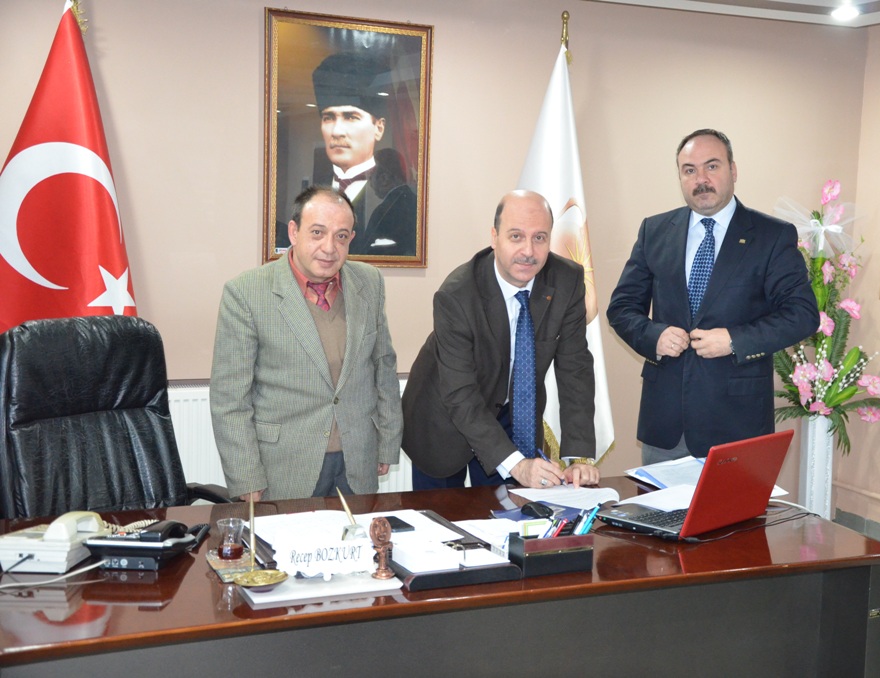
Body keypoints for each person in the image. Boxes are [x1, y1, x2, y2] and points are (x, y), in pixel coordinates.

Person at [606, 129, 818, 465]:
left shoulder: (772, 236)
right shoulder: (654, 231)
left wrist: (734, 340)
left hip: (737, 424)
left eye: (712, 166)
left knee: (735, 505)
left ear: (733, 170)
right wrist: (654, 335)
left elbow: (802, 315)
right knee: (657, 503)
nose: (701, 179)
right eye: (689, 170)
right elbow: (621, 308)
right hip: (666, 427)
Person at [211, 186, 402, 501]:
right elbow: (230, 399)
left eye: (341, 236)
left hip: (357, 462)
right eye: (317, 233)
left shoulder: (369, 283)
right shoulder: (246, 293)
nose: (329, 248)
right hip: (284, 467)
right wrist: (245, 477)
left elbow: (384, 366)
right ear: (293, 232)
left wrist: (388, 442)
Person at [401, 190, 600, 490]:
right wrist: (517, 466)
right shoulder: (457, 295)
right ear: (494, 237)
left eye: (540, 238)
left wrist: (578, 456)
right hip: (443, 419)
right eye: (516, 236)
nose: (528, 251)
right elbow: (460, 394)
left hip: (512, 413)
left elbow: (576, 369)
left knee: (511, 511)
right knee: (443, 516)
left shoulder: (567, 280)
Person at [310, 51, 389, 232]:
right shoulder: (312, 193)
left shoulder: (395, 199)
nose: (337, 131)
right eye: (329, 118)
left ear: (379, 128)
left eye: (351, 117)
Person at [350, 148, 418, 257]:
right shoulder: (416, 203)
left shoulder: (384, 211)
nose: (370, 184)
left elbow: (367, 254)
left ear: (384, 178)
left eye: (371, 178)